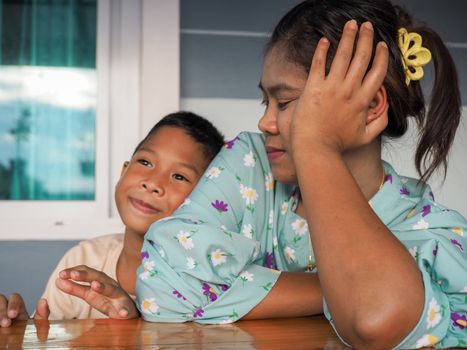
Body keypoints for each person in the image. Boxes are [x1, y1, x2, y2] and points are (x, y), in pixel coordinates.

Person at [135, 1, 467, 349]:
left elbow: (377, 322)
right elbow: (162, 285)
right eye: (266, 102)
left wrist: (316, 144)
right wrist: (333, 289)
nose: (265, 122)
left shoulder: (433, 236)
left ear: (370, 107)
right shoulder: (253, 165)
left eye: (286, 102)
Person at [0, 111, 224, 325]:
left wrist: (133, 324)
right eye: (145, 162)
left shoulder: (207, 286)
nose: (153, 183)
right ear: (123, 171)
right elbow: (49, 336)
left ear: (203, 202)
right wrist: (27, 331)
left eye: (179, 176)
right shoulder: (83, 261)